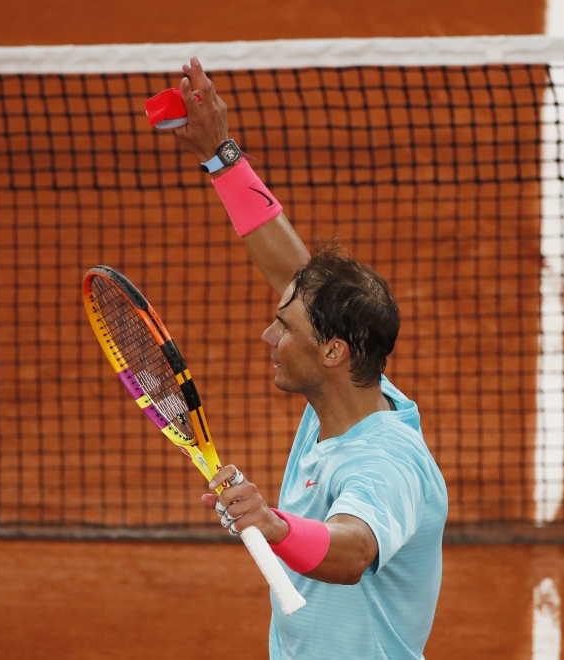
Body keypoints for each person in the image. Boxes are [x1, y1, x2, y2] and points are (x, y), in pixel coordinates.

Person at [170, 56, 448, 660]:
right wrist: (221, 154)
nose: (268, 336)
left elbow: (352, 549)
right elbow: (293, 274)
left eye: (283, 326)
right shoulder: (349, 392)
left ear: (331, 351)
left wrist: (274, 527)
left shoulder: (386, 464)